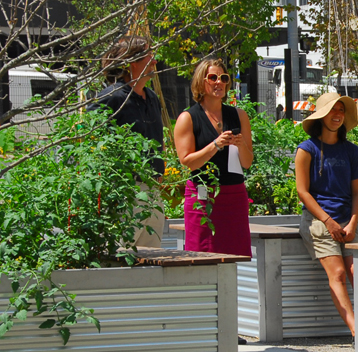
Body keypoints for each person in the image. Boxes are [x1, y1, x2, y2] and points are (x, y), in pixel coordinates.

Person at [295, 92, 358, 337]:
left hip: (349, 221)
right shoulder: (307, 149)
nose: (337, 115)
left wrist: (353, 224)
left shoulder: (351, 151)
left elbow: (357, 193)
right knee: (337, 273)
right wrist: (328, 221)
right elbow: (303, 192)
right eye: (332, 110)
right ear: (321, 115)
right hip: (319, 221)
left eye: (341, 110)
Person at [90, 35, 165, 248]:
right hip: (125, 192)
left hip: (153, 193)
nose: (154, 60)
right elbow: (91, 140)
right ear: (132, 62)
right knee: (121, 256)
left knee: (151, 260)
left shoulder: (151, 97)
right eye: (149, 55)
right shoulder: (111, 98)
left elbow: (158, 138)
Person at [173, 58, 253, 257]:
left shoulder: (239, 115)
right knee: (202, 255)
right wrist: (215, 145)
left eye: (223, 78)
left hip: (234, 195)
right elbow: (187, 162)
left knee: (235, 255)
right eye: (213, 77)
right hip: (202, 197)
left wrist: (241, 144)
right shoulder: (188, 118)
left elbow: (247, 162)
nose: (219, 82)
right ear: (201, 81)